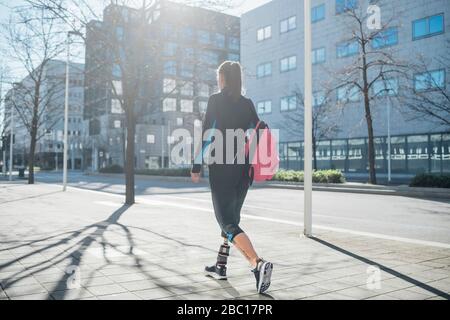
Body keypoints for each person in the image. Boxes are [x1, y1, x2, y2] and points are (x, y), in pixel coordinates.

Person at [191, 61, 273, 294]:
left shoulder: (216, 100)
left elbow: (208, 131)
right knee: (232, 219)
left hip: (222, 165)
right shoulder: (247, 104)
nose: (218, 80)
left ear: (224, 78)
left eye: (219, 76)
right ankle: (220, 265)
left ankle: (257, 264)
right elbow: (259, 131)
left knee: (226, 222)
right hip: (243, 170)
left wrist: (196, 165)